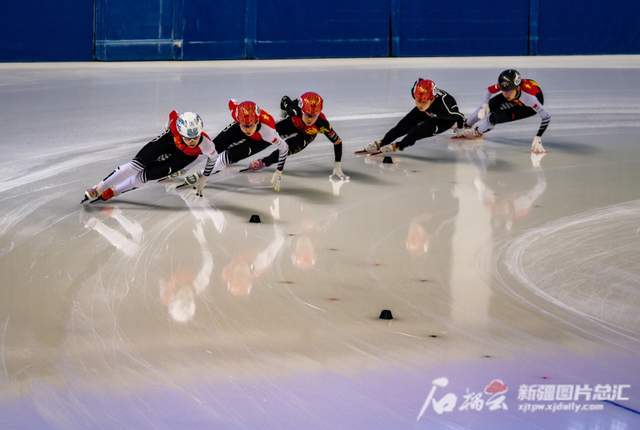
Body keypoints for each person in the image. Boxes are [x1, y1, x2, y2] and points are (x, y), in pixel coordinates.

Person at [83, 111, 216, 202]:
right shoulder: (174, 126)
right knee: (135, 166)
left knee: (146, 176)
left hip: (184, 156)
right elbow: (172, 115)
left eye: (196, 137)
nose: (192, 141)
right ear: (180, 132)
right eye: (188, 138)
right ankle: (99, 187)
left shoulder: (206, 144)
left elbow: (213, 158)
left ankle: (115, 191)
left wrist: (204, 178)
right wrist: (165, 130)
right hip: (169, 140)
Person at [193, 100, 289, 194]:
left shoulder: (268, 132)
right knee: (213, 147)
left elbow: (284, 148)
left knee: (228, 157)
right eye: (244, 126)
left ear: (257, 121)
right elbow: (232, 102)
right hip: (240, 129)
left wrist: (279, 170)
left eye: (250, 126)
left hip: (259, 139)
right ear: (238, 121)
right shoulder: (236, 113)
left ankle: (199, 174)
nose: (247, 129)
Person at [246, 91, 348, 179]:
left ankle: (263, 162)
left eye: (314, 116)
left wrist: (337, 166)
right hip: (292, 124)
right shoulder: (294, 109)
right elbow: (284, 99)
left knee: (287, 150)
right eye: (307, 115)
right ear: (302, 110)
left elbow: (337, 142)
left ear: (318, 114)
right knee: (266, 133)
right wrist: (282, 116)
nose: (310, 119)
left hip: (306, 135)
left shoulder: (322, 124)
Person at [361, 78, 465, 154]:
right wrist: (423, 104)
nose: (419, 105)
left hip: (443, 120)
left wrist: (460, 129)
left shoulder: (444, 109)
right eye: (417, 101)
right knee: (402, 126)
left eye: (423, 102)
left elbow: (460, 116)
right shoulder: (417, 93)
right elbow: (420, 83)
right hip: (428, 111)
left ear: (431, 99)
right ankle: (382, 142)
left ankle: (398, 145)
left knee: (417, 131)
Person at [459, 69, 551, 154]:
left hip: (527, 108)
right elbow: (488, 90)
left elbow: (546, 117)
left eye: (508, 90)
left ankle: (476, 132)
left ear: (517, 87)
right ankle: (467, 124)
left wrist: (538, 137)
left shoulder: (529, 98)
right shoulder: (506, 84)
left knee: (494, 118)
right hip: (517, 95)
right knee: (489, 105)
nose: (505, 94)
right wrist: (485, 104)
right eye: (503, 90)